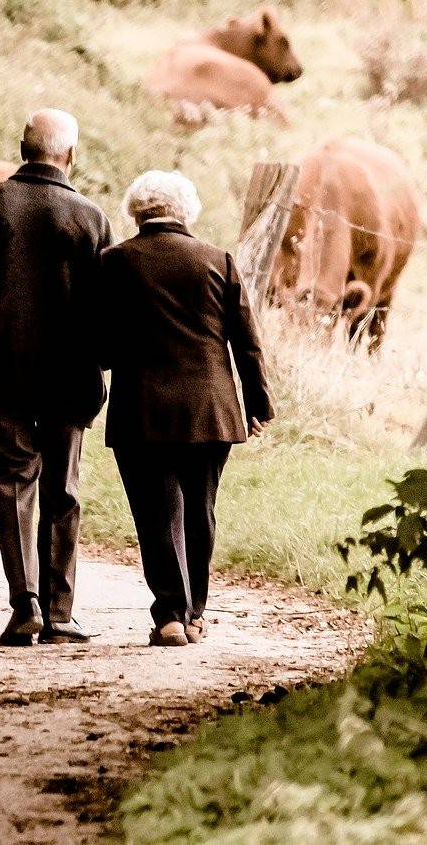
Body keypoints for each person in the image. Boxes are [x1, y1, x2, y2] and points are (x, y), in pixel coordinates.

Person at [0, 109, 112, 646]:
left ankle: (25, 605)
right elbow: (107, 311)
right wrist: (102, 367)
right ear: (71, 155)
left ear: (21, 148)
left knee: (11, 485)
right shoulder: (89, 217)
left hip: (1, 377)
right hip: (70, 380)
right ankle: (61, 614)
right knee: (63, 490)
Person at [99, 170, 272, 647]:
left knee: (157, 513)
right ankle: (195, 613)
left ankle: (170, 615)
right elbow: (247, 343)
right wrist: (257, 403)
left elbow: (102, 345)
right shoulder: (218, 260)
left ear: (135, 211)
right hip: (212, 409)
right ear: (187, 210)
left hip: (142, 409)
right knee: (201, 510)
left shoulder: (114, 263)